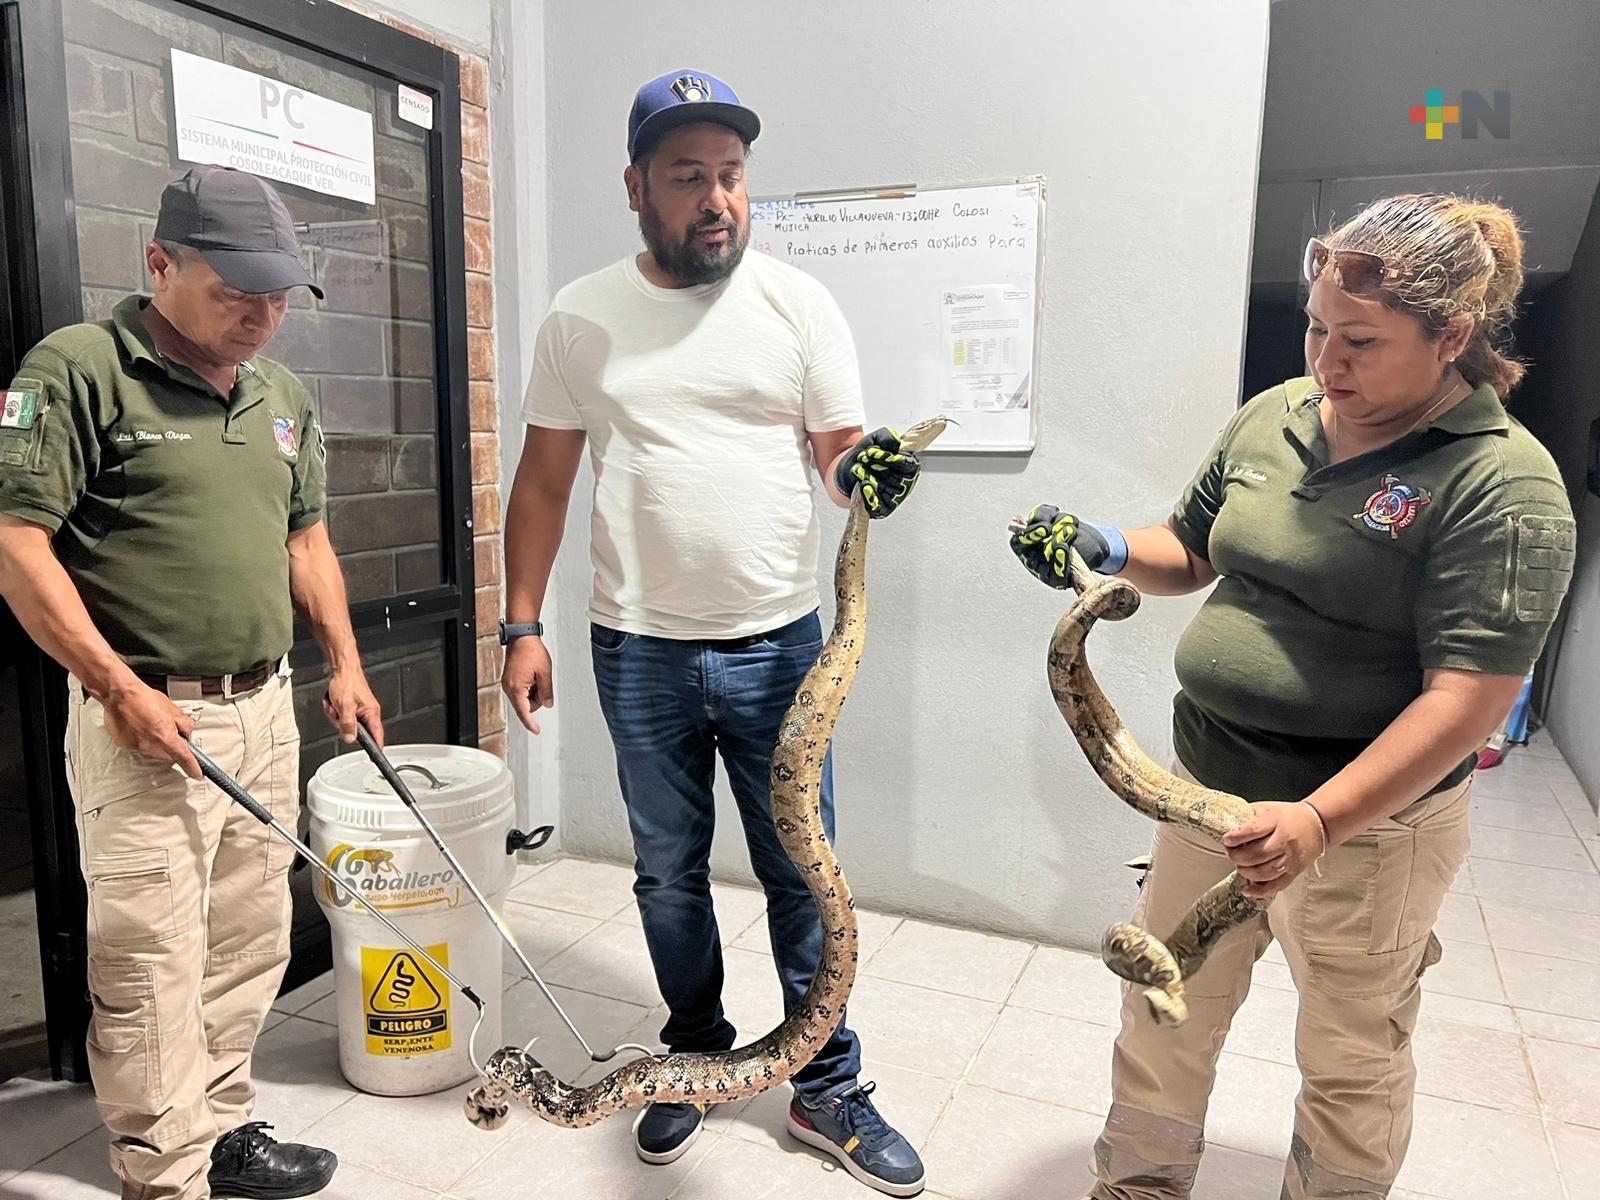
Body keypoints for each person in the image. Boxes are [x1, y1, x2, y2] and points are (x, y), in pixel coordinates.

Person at [1010, 193, 1576, 1200]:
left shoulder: (1501, 484)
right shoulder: (1274, 414)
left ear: (1449, 337)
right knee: (1162, 1011)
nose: (1325, 360)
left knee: (1352, 1056)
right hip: (1207, 796)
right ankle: (1134, 1188)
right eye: (1316, 325)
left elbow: (1468, 700)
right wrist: (1100, 547)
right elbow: (1188, 549)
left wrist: (1317, 820)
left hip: (1365, 834)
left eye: (1358, 339)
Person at [500, 69, 927, 1197]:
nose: (716, 198)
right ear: (636, 187)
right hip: (634, 647)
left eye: (731, 175)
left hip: (777, 646)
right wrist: (519, 624)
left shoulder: (798, 307)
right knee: (668, 878)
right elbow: (543, 485)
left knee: (803, 871)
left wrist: (864, 469)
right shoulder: (582, 316)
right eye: (688, 176)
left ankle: (826, 1081)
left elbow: (838, 452)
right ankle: (693, 1056)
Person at [0, 165, 384, 1200]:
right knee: (150, 957)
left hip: (263, 708)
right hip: (147, 719)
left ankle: (221, 1131)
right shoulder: (78, 369)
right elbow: (17, 544)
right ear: (159, 264)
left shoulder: (280, 394)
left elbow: (307, 540)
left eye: (276, 297)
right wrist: (119, 686)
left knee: (246, 942)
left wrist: (342, 666)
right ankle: (162, 1172)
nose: (259, 317)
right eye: (233, 292)